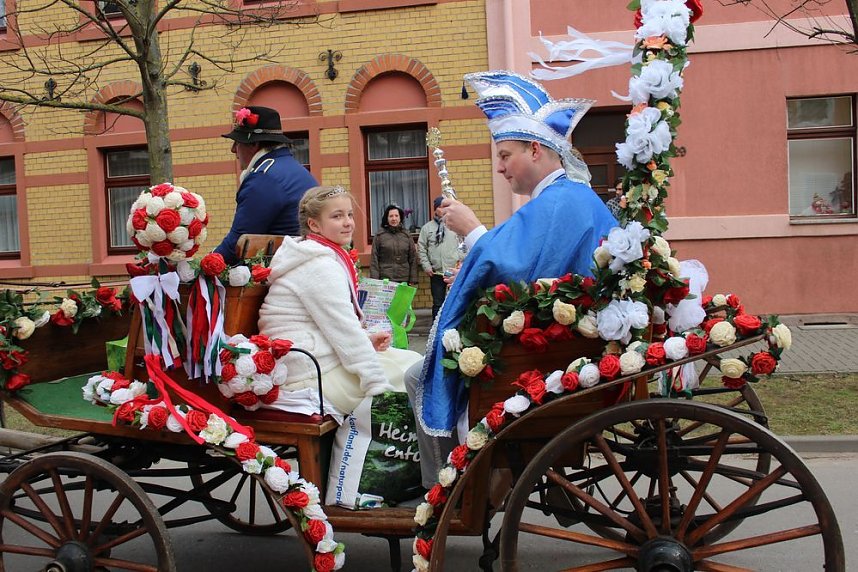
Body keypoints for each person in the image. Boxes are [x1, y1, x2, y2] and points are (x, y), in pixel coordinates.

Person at [406, 70, 617, 487]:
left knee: (417, 376)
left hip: (549, 346)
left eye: (505, 155)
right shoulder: (567, 196)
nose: (500, 167)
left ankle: (447, 489)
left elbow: (514, 267)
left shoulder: (559, 201)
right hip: (565, 335)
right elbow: (533, 268)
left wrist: (472, 230)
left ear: (536, 149)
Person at [258, 186, 422, 421]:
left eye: (349, 214)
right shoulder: (319, 266)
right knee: (412, 378)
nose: (348, 223)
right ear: (314, 225)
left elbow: (331, 325)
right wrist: (377, 386)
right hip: (309, 372)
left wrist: (366, 340)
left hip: (316, 358)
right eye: (337, 216)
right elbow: (343, 330)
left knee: (415, 363)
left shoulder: (320, 255)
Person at [214, 106, 318, 265]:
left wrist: (203, 266)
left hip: (282, 274)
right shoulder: (293, 168)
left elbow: (237, 244)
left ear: (253, 145)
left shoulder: (263, 178)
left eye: (238, 142)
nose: (233, 149)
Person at [417, 196, 464, 319]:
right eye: (439, 207)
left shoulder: (454, 225)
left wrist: (461, 260)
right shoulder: (427, 228)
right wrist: (426, 266)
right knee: (438, 303)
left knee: (453, 301)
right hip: (436, 272)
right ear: (435, 209)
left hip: (452, 271)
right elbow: (421, 248)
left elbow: (463, 244)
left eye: (445, 206)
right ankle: (436, 328)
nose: (442, 209)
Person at [370, 204, 419, 285]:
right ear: (387, 218)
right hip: (385, 279)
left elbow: (413, 258)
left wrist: (413, 279)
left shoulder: (407, 235)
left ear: (400, 218)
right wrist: (375, 280)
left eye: (396, 216)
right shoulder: (379, 236)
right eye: (391, 216)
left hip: (404, 279)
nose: (394, 218)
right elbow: (374, 260)